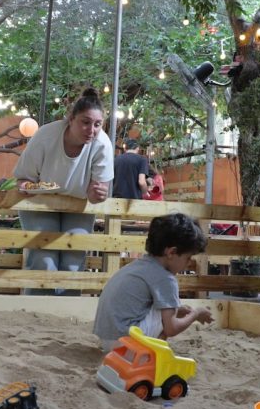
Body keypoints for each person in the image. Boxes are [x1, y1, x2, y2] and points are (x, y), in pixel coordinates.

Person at [12, 87, 113, 295]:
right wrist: (27, 187)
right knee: (43, 260)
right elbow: (23, 179)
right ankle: (38, 310)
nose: (91, 130)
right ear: (71, 119)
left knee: (73, 261)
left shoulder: (103, 144)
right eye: (85, 122)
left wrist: (98, 195)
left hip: (77, 203)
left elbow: (97, 193)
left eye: (97, 124)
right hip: (40, 201)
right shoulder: (45, 135)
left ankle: (67, 310)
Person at [93, 213, 214, 350]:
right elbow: (171, 329)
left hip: (106, 340)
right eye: (188, 257)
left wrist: (178, 310)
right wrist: (196, 314)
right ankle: (151, 354)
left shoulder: (138, 265)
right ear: (172, 253)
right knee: (166, 317)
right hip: (127, 344)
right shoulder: (165, 278)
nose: (189, 263)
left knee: (165, 310)